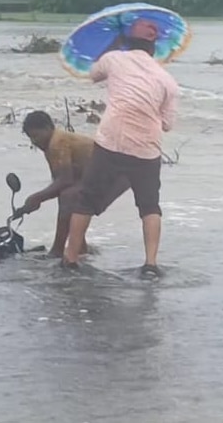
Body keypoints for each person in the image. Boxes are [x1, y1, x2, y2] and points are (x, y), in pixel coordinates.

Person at [63, 19, 179, 279]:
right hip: (146, 148)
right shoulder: (167, 80)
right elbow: (168, 124)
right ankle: (150, 264)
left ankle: (70, 259)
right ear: (154, 48)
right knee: (149, 206)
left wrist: (112, 45)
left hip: (111, 141)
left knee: (86, 199)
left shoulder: (114, 59)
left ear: (127, 42)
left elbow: (93, 74)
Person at [18, 110, 130, 258]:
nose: (34, 142)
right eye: (31, 138)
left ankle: (58, 250)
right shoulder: (51, 144)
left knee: (68, 197)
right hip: (110, 173)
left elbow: (65, 180)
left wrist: (37, 198)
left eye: (36, 136)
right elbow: (61, 181)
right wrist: (39, 199)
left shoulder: (57, 142)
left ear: (48, 128)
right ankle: (80, 246)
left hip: (118, 174)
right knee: (68, 197)